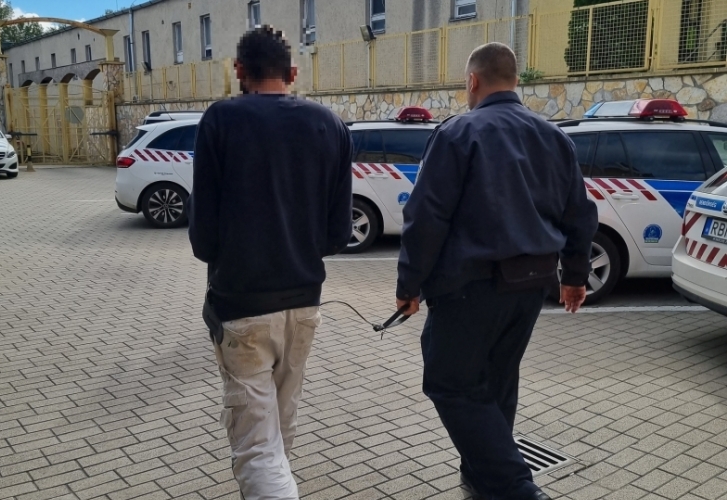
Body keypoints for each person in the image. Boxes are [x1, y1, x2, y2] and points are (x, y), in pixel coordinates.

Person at [394, 42, 598, 500]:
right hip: (531, 288)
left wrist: (409, 285)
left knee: (450, 383)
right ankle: (482, 481)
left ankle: (516, 488)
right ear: (514, 80)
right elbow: (580, 214)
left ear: (473, 81)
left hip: (470, 287)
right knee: (498, 383)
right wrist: (574, 277)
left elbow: (426, 218)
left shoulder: (458, 133)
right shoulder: (555, 137)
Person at [187, 26, 353, 499]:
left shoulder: (220, 120)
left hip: (242, 306)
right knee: (280, 424)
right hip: (304, 304)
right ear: (292, 73)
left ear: (238, 70)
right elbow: (338, 234)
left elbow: (203, 237)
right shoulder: (330, 124)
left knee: (258, 444)